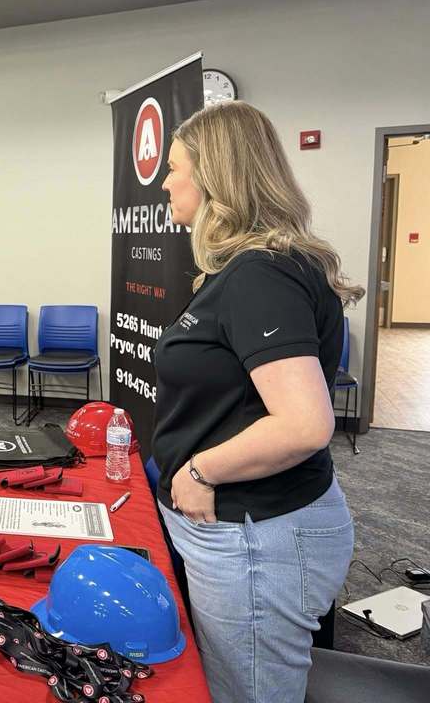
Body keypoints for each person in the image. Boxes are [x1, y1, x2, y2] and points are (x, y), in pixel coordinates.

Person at [153, 101, 364, 703]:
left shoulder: (259, 275)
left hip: (256, 534)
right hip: (252, 528)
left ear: (215, 176)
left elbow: (303, 424)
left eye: (175, 168)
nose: (166, 182)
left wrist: (198, 470)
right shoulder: (252, 269)